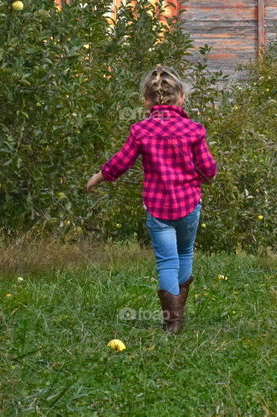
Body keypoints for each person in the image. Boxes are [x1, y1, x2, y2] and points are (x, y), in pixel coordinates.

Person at [86, 65, 217, 333]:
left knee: (167, 261)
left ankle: (173, 321)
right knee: (184, 253)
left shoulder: (141, 130)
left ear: (146, 100)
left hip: (158, 209)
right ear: (181, 97)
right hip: (189, 205)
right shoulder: (194, 130)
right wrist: (201, 176)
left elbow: (121, 162)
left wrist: (100, 176)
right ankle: (178, 314)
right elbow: (209, 170)